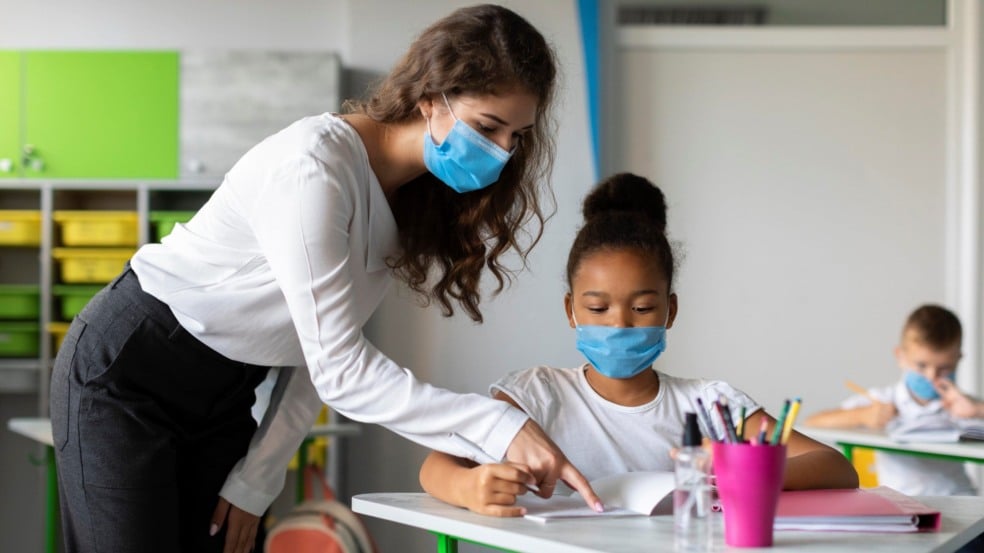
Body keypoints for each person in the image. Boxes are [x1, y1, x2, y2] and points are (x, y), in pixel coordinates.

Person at [49, 5, 602, 553]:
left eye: (516, 135)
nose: (503, 152)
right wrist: (500, 426)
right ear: (431, 99)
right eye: (488, 127)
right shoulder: (315, 167)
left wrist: (254, 483)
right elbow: (342, 371)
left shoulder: (405, 200)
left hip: (225, 392)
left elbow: (318, 357)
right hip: (129, 372)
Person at [419, 173, 859, 517]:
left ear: (671, 310)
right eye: (598, 308)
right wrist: (469, 488)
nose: (620, 325)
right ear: (571, 309)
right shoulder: (538, 394)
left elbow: (837, 467)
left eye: (643, 309)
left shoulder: (710, 406)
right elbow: (436, 468)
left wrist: (742, 471)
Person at [805, 304, 978, 496]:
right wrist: (862, 415)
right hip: (901, 503)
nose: (931, 376)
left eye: (944, 368)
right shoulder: (884, 400)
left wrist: (978, 411)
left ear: (958, 359)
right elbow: (813, 422)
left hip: (961, 498)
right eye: (921, 365)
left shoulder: (965, 405)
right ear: (900, 356)